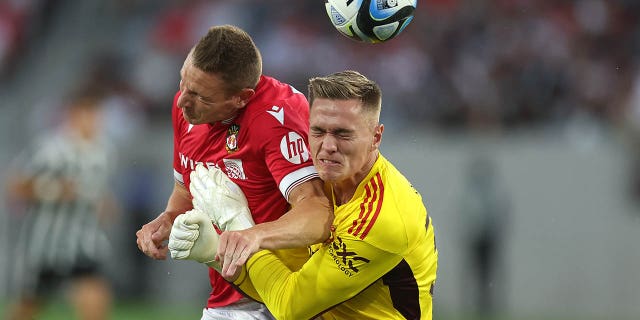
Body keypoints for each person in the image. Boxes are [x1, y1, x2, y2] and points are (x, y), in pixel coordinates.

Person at [170, 70, 439, 319]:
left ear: (376, 137)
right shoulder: (316, 186)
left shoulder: (382, 219)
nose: (328, 146)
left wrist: (236, 222)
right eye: (318, 131)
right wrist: (214, 253)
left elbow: (290, 307)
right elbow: (274, 285)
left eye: (343, 134)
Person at [135, 24, 332, 319]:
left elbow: (318, 212)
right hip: (229, 294)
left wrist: (251, 235)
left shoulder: (276, 118)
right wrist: (166, 220)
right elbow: (185, 191)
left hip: (289, 297)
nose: (182, 101)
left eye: (202, 97)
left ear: (242, 97)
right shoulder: (185, 108)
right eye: (183, 83)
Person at [4, 88, 115, 320]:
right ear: (73, 115)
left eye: (97, 114)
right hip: (46, 246)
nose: (94, 120)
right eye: (89, 114)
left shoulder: (103, 150)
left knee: (96, 301)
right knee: (27, 306)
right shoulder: (52, 149)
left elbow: (92, 190)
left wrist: (103, 204)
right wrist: (55, 190)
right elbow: (15, 187)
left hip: (83, 242)